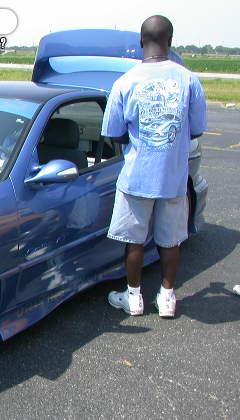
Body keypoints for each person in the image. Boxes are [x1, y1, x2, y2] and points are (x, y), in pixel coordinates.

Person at [101, 15, 207, 318]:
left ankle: (134, 297)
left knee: (134, 240)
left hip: (136, 177)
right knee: (171, 240)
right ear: (170, 41)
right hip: (173, 178)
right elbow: (196, 129)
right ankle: (167, 297)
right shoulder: (189, 80)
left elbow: (113, 133)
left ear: (141, 42)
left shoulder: (125, 82)